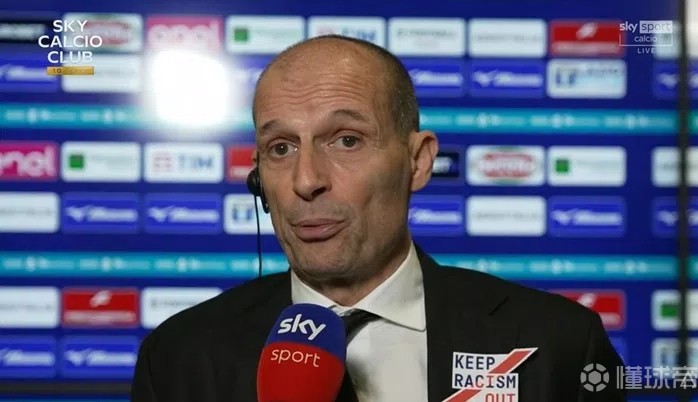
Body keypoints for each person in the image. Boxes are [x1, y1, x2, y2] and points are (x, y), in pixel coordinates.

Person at [130, 35, 626, 402]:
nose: (307, 180)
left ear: (418, 161)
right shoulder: (179, 357)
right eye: (281, 148)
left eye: (346, 140)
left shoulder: (558, 342)